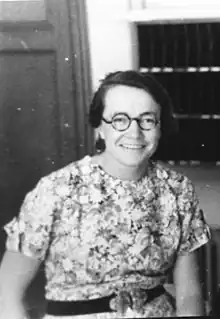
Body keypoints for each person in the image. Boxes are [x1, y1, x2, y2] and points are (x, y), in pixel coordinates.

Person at [0, 70, 211, 318]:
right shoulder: (56, 190)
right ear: (100, 127)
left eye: (147, 120)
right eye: (119, 119)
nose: (134, 133)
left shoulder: (178, 190)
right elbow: (7, 294)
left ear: (160, 127)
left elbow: (189, 296)